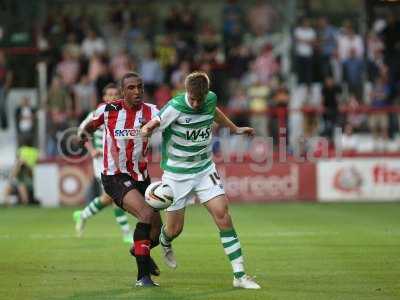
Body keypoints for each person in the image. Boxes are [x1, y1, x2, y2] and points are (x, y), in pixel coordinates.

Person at [141, 71, 261, 289]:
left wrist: (234, 129)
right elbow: (154, 123)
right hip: (176, 175)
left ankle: (240, 275)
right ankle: (165, 240)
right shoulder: (175, 106)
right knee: (175, 229)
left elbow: (213, 112)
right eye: (193, 99)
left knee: (223, 215)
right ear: (186, 92)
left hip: (204, 170)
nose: (196, 104)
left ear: (206, 94)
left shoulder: (210, 99)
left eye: (200, 99)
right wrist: (147, 129)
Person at [78, 72, 162, 287]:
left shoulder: (151, 111)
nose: (137, 91)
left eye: (140, 87)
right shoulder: (109, 110)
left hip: (141, 175)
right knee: (145, 213)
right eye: (132, 88)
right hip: (114, 175)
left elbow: (172, 124)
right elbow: (85, 130)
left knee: (156, 229)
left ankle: (138, 249)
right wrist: (87, 143)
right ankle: (143, 277)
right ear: (123, 92)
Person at [73, 83, 132, 244]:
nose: (112, 97)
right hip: (101, 162)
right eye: (109, 95)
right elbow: (82, 132)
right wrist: (92, 150)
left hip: (118, 162)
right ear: (104, 98)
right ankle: (127, 232)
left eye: (115, 95)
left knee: (108, 197)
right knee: (115, 195)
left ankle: (83, 215)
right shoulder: (96, 114)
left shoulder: (123, 114)